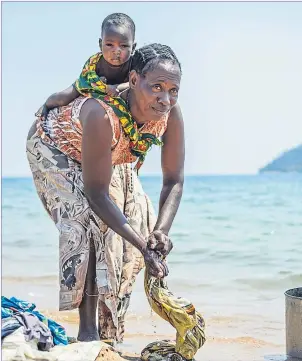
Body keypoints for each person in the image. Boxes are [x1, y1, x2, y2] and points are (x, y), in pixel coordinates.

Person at [26, 43, 184, 344]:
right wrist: (142, 246)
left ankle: (112, 330)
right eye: (157, 88)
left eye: (173, 90)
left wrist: (160, 233)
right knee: (86, 220)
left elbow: (173, 180)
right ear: (135, 80)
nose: (165, 99)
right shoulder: (102, 113)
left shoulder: (169, 114)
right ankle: (88, 333)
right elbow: (96, 194)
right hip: (54, 145)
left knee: (137, 216)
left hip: (107, 152)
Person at [37, 12, 137, 120]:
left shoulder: (135, 64)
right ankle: (46, 105)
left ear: (133, 47)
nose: (116, 51)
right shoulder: (95, 64)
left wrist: (118, 87)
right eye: (109, 45)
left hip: (119, 89)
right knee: (64, 97)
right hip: (91, 85)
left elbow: (140, 82)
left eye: (123, 46)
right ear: (100, 44)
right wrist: (100, 84)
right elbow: (89, 80)